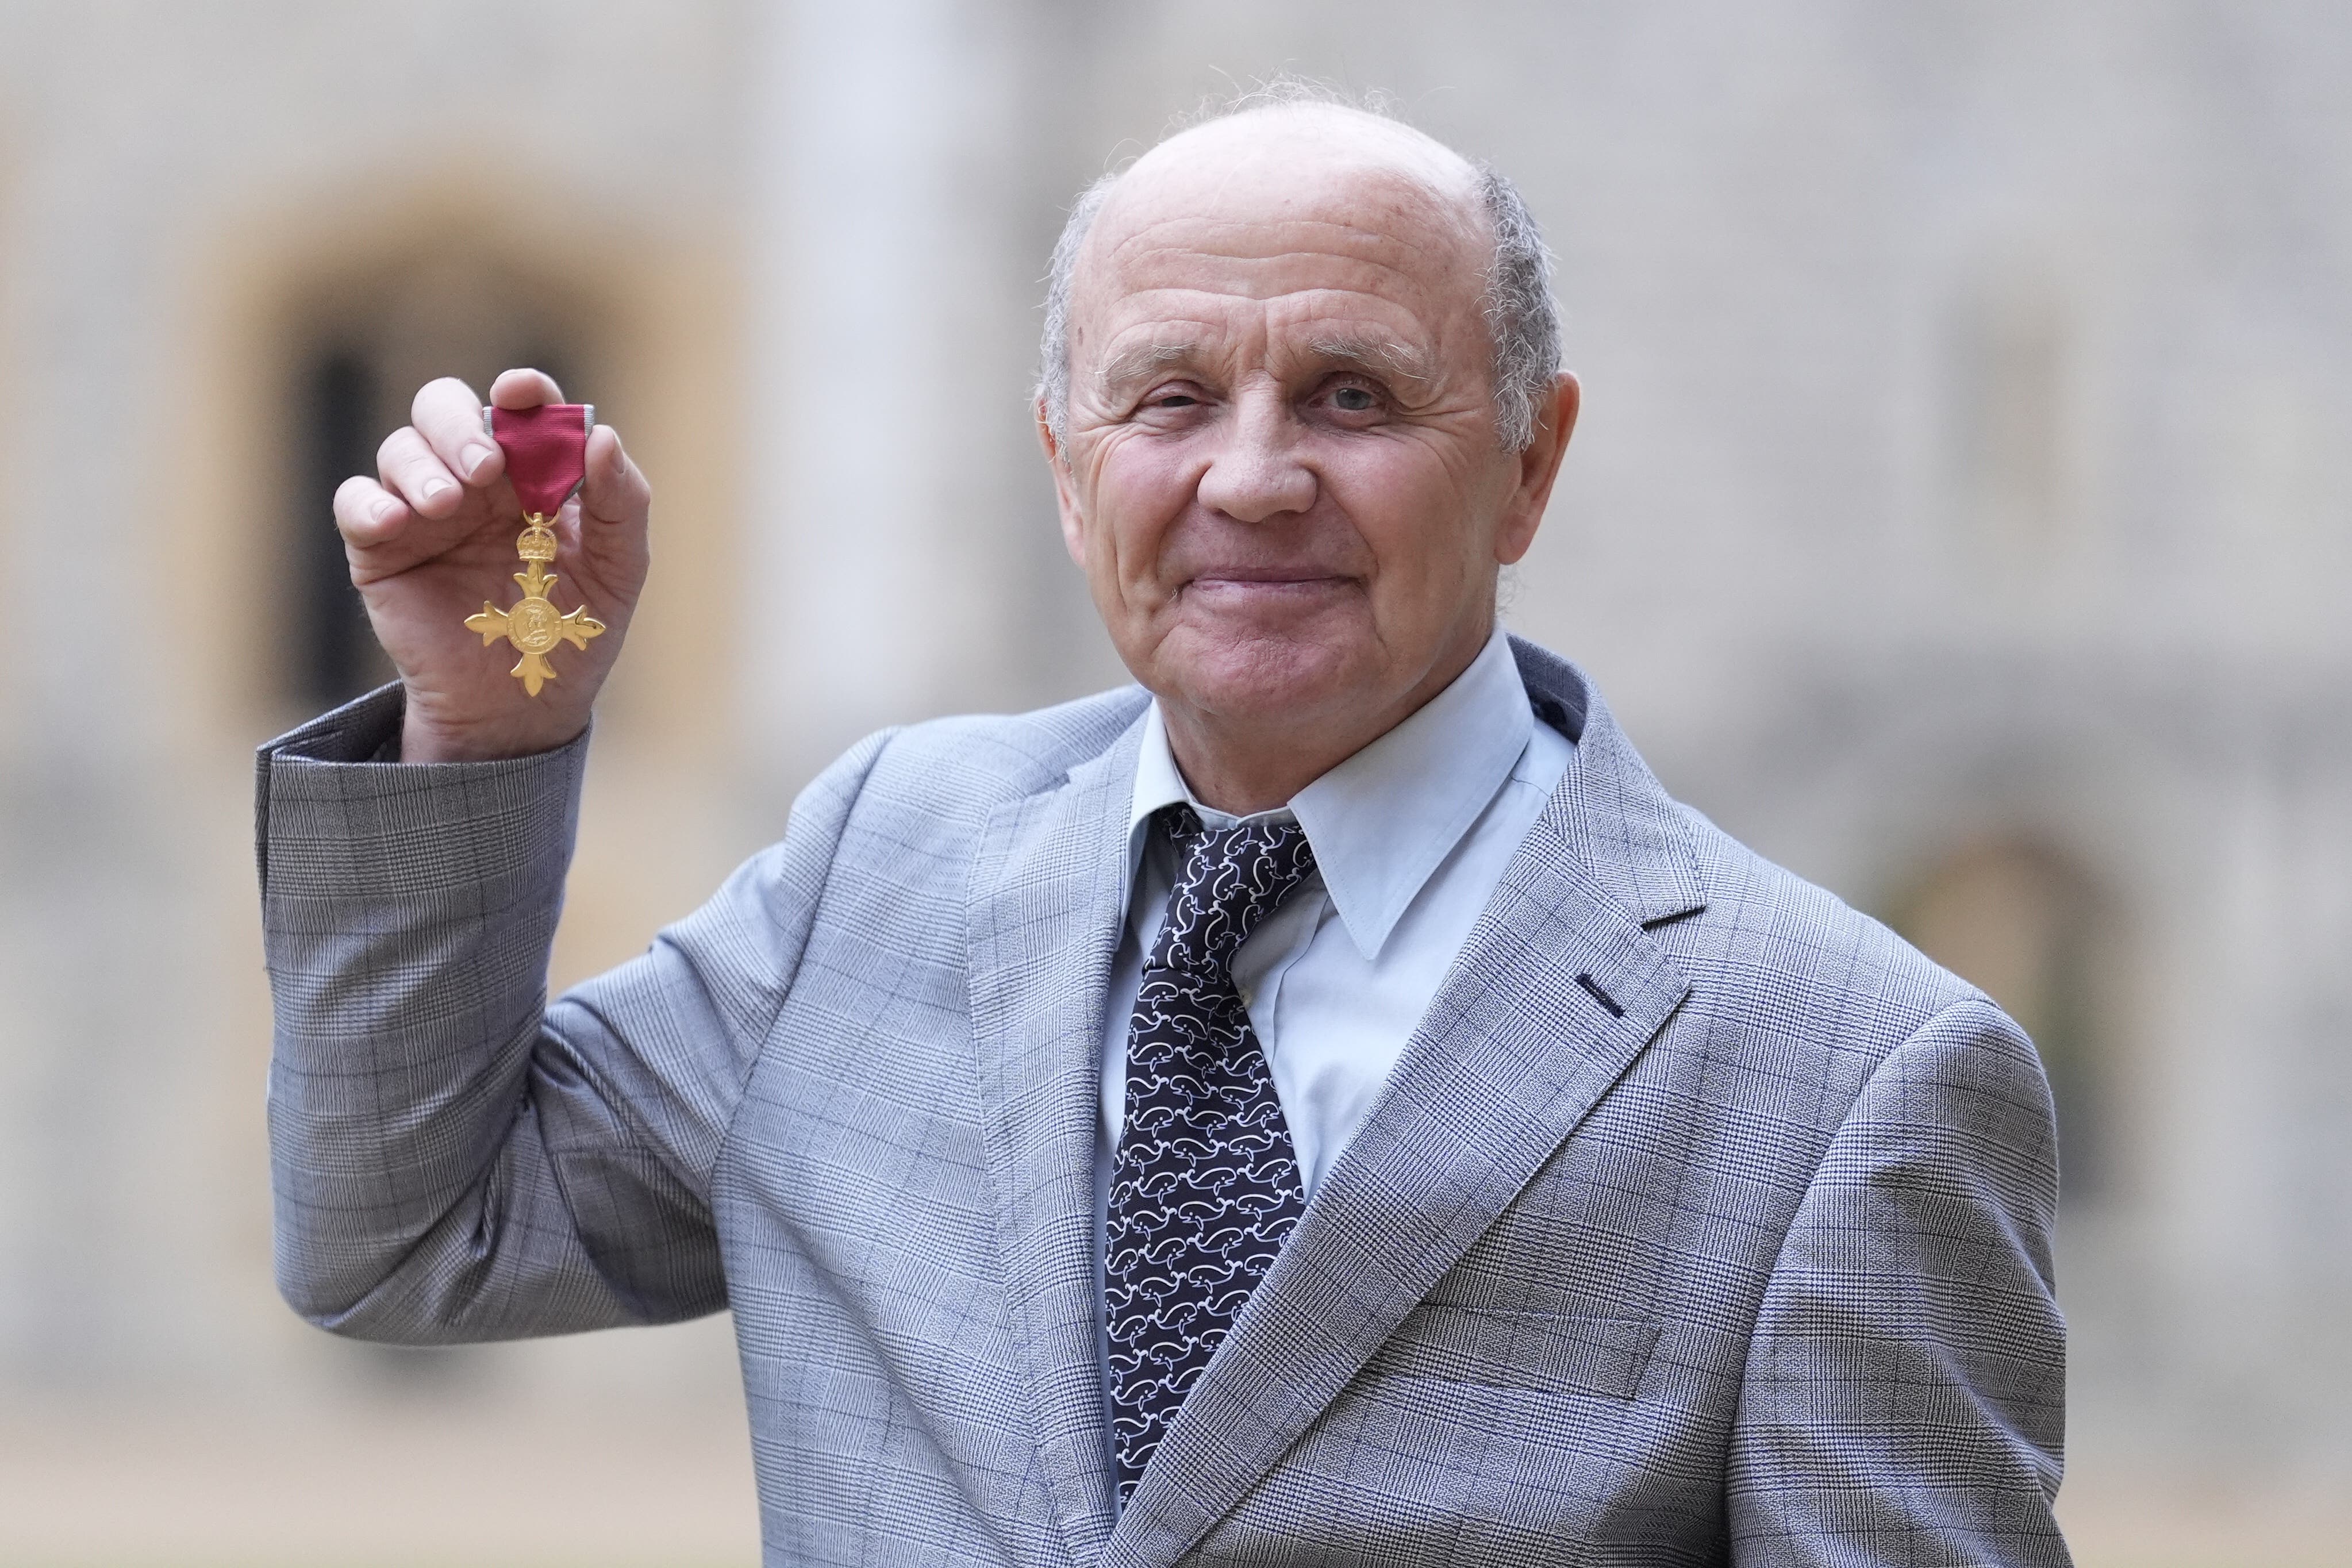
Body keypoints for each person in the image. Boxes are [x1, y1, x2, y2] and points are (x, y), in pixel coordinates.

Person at [258, 90, 2071, 1567]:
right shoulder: (883, 862)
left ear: (1528, 461)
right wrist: (487, 734)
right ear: (1063, 464)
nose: (1254, 475)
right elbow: (412, 1238)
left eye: (1352, 394)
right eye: (1172, 395)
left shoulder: (1846, 1077)